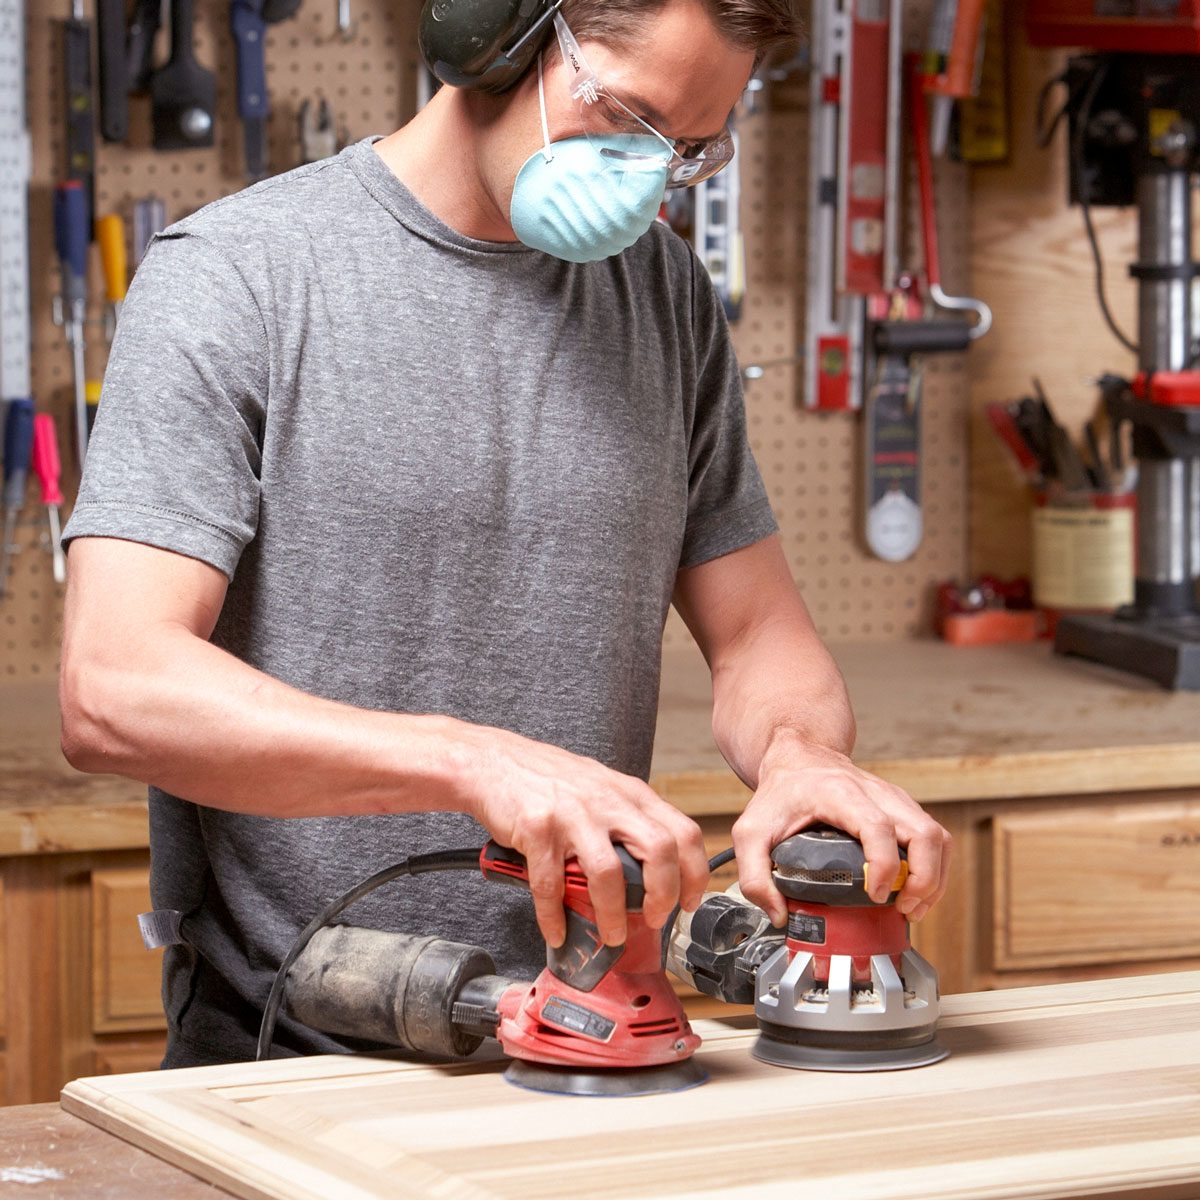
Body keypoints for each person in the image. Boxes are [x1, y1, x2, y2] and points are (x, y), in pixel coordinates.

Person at [59, 0, 951, 1068]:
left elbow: (759, 632)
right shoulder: (237, 278)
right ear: (497, 35)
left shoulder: (662, 299)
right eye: (623, 116)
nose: (645, 172)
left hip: (588, 1048)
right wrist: (470, 763)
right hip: (290, 1056)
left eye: (687, 148)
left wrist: (802, 756)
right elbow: (114, 689)